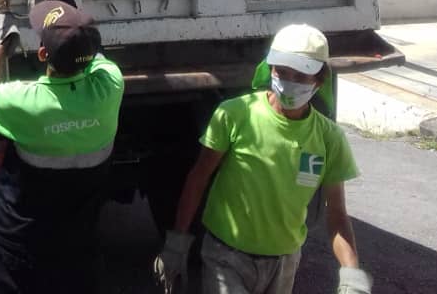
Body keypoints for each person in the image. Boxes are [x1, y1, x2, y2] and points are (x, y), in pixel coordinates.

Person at [153, 24, 372, 294]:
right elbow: (198, 178)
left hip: (284, 263)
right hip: (225, 257)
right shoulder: (235, 115)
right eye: (282, 72)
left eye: (300, 76)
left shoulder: (329, 138)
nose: (289, 82)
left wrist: (351, 273)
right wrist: (176, 244)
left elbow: (336, 214)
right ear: (270, 69)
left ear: (319, 80)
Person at [0, 0, 125, 293]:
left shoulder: (26, 103)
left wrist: (1, 44)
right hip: (77, 257)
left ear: (42, 54)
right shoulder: (110, 88)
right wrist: (59, 10)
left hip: (17, 253)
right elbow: (96, 54)